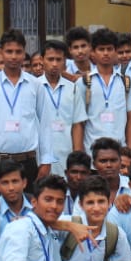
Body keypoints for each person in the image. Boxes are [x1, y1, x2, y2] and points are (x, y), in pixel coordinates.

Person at [0, 30, 53, 184]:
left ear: (24, 53)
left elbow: (44, 123)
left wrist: (46, 160)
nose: (13, 56)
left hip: (27, 160)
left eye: (18, 52)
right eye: (9, 51)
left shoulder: (35, 85)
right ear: (0, 53)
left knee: (28, 205)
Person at [74, 28, 131, 151]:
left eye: (109, 49)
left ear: (115, 51)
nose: (106, 53)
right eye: (101, 49)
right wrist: (79, 154)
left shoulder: (126, 82)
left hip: (120, 153)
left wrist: (129, 149)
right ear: (93, 52)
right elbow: (78, 122)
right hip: (91, 153)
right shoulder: (83, 82)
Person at [39, 39, 83, 175]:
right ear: (42, 60)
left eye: (59, 60)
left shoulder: (73, 88)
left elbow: (77, 124)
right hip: (40, 155)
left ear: (65, 61)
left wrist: (76, 155)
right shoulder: (33, 87)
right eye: (50, 59)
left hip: (66, 153)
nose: (54, 64)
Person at [0, 159, 33, 225]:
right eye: (5, 183)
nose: (11, 188)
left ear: (24, 182)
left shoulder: (37, 205)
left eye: (15, 181)